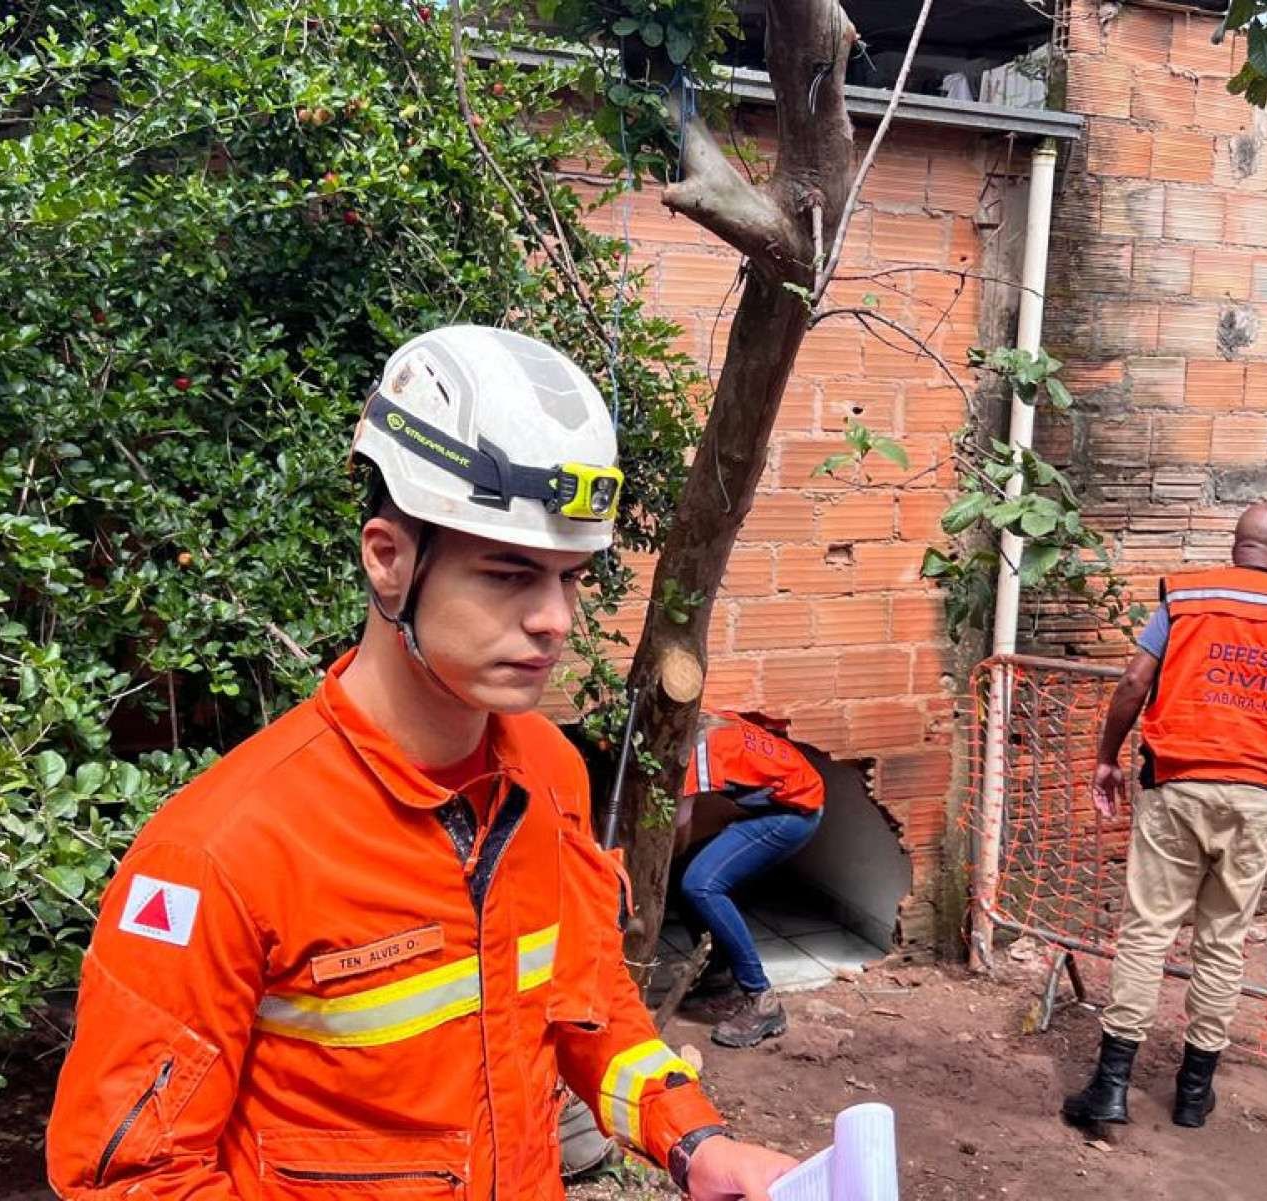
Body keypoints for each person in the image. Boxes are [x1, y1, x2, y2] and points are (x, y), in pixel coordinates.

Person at [45, 326, 796, 1200]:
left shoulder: (550, 775)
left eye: (572, 578)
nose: (555, 619)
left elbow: (588, 1004)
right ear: (389, 560)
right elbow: (130, 1176)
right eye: (510, 574)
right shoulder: (217, 853)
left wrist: (693, 1141)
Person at [1061, 504, 1267, 1133]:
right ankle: (1194, 1094)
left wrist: (1107, 758)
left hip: (1176, 785)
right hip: (1256, 799)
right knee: (1222, 942)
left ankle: (1110, 1089)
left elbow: (1135, 681)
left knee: (1146, 933)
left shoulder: (1186, 596)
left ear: (1237, 548)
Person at [674, 711, 826, 1049]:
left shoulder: (694, 752)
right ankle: (718, 976)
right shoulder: (708, 718)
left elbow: (681, 825)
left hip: (792, 815)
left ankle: (762, 999)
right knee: (690, 877)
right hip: (776, 803)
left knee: (700, 884)